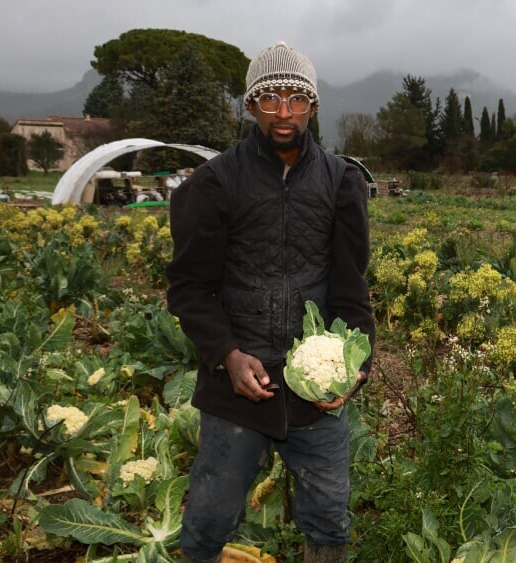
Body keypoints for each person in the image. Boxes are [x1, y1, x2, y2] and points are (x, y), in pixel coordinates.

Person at [166, 40, 375, 563]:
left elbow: (352, 292)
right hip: (236, 385)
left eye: (296, 99)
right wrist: (227, 355)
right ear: (251, 104)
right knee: (209, 519)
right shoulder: (214, 183)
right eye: (270, 98)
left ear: (313, 106)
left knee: (329, 519)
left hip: (314, 393)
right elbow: (189, 287)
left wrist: (353, 368)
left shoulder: (340, 181)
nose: (284, 112)